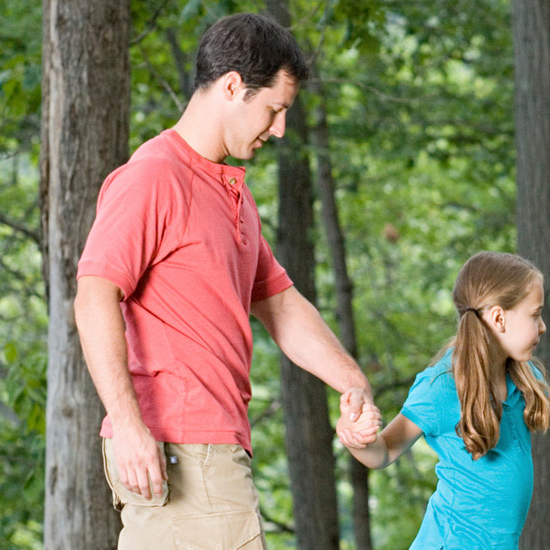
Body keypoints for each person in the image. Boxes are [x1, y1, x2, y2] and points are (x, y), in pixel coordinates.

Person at [74, 13, 377, 549]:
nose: (280, 129)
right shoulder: (155, 177)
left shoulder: (231, 192)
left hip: (209, 446)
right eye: (274, 110)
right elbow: (94, 294)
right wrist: (128, 425)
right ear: (234, 86)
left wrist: (351, 381)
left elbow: (280, 303)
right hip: (182, 446)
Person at [337, 251, 550, 549]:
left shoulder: (521, 377)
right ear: (499, 318)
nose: (543, 326)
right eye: (535, 314)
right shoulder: (441, 387)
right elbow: (385, 451)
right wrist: (357, 439)